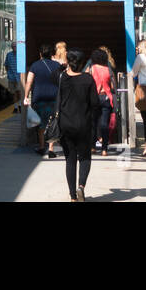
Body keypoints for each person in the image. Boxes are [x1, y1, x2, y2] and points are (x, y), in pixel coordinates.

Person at [56, 48, 101, 200]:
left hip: (65, 124)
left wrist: (62, 66)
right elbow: (95, 103)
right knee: (85, 157)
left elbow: (51, 76)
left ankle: (73, 197)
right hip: (83, 125)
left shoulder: (63, 77)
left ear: (68, 62)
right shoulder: (88, 79)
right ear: (82, 63)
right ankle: (81, 186)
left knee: (70, 160)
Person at [23, 43, 63, 157]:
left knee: (40, 124)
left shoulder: (35, 66)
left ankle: (41, 147)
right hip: (54, 98)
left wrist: (26, 96)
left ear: (40, 54)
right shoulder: (57, 66)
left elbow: (29, 82)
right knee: (52, 122)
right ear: (51, 54)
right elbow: (61, 81)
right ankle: (51, 149)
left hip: (39, 98)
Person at [88, 47, 116, 154]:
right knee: (104, 124)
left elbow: (87, 81)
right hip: (106, 97)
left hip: (94, 97)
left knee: (93, 123)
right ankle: (104, 149)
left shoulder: (91, 68)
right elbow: (113, 86)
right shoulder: (108, 69)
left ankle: (93, 147)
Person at [3, 46, 21, 112]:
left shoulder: (20, 55)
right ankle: (16, 107)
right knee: (14, 93)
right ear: (12, 47)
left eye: (15, 46)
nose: (14, 48)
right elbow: (6, 65)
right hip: (11, 77)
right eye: (13, 47)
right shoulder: (9, 55)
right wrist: (8, 73)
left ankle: (20, 105)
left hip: (19, 77)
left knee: (19, 92)